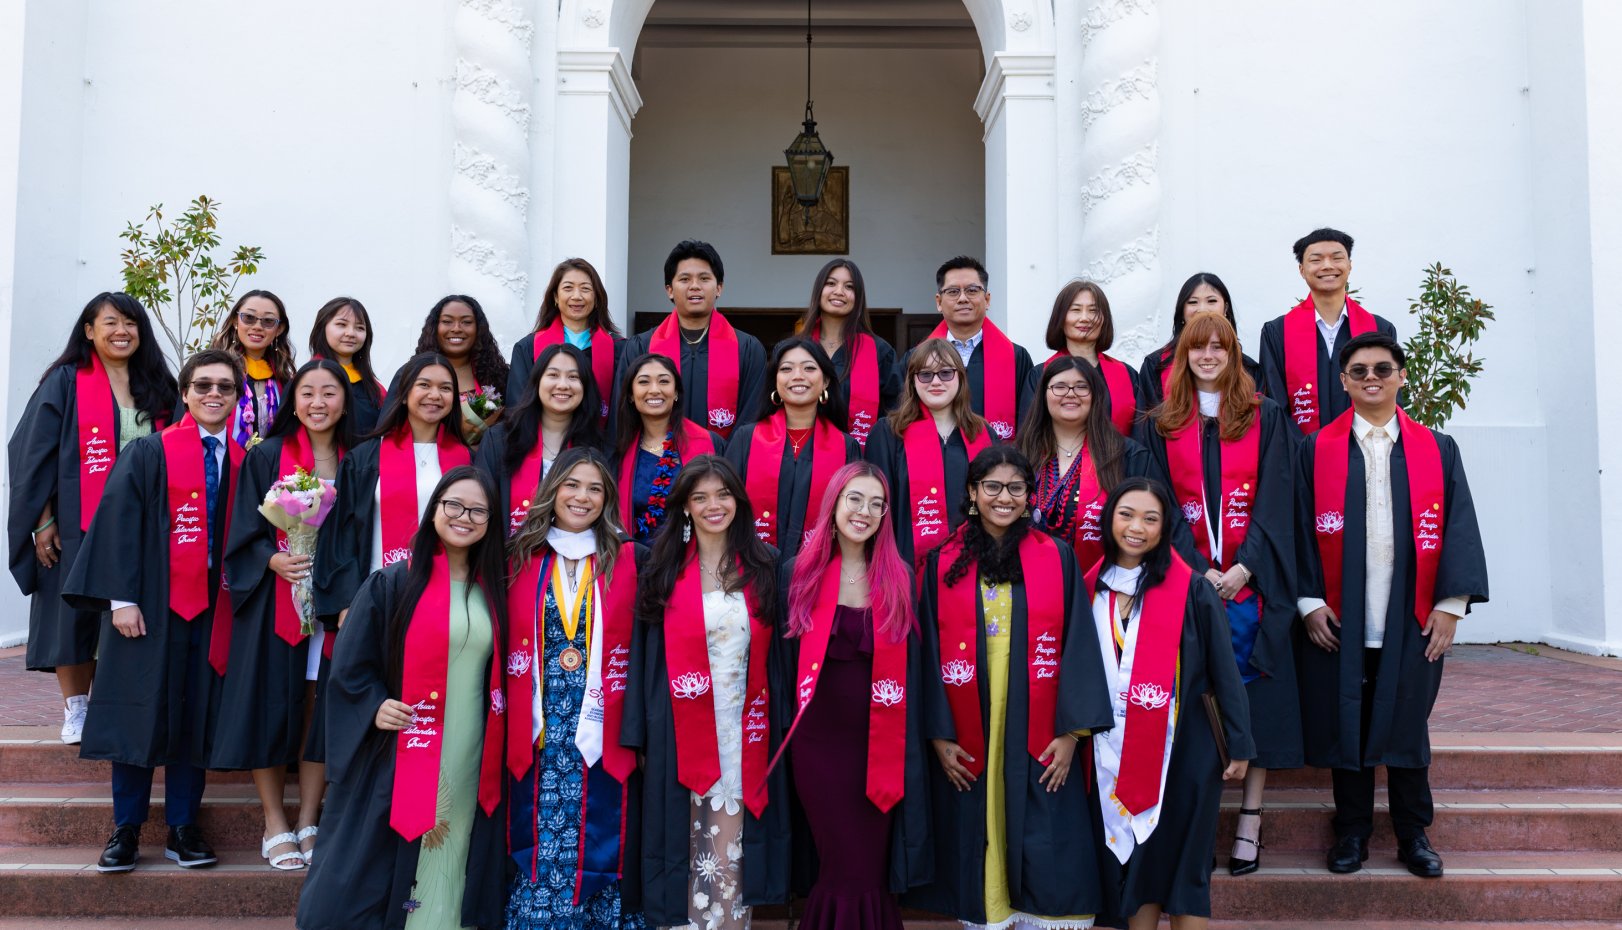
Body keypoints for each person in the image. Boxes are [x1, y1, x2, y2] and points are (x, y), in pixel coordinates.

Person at [1294, 332, 1488, 878]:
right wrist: (1309, 601)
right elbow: (1300, 532)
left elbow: (1459, 526)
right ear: (1344, 382)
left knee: (1408, 723)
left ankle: (1412, 833)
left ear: (1401, 375)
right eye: (1359, 371)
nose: (1371, 377)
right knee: (1346, 721)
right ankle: (1352, 831)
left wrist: (1450, 604)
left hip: (1413, 615)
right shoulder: (1317, 449)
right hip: (1343, 616)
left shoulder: (1437, 448)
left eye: (1382, 368)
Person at [295, 467, 509, 929]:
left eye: (478, 510)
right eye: (454, 505)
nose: (464, 517)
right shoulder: (393, 583)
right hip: (406, 744)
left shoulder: (495, 591)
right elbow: (351, 668)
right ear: (434, 510)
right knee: (378, 864)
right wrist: (375, 705)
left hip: (471, 745)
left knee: (455, 844)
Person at [909, 446, 1113, 930]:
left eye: (1016, 488)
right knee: (981, 818)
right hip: (970, 718)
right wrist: (939, 735)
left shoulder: (1055, 555)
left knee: (1044, 819)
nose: (1004, 497)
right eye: (992, 487)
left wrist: (1071, 734)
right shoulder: (941, 561)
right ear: (972, 494)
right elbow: (926, 653)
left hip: (1038, 722)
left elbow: (1077, 644)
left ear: (1029, 495)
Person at [62, 349, 248, 872]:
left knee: (195, 715)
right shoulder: (150, 452)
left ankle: (184, 827)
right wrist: (121, 600)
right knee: (136, 713)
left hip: (214, 608)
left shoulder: (244, 461)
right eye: (203, 385)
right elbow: (117, 522)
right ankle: (126, 828)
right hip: (149, 607)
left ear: (236, 398)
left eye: (225, 387)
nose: (214, 394)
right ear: (185, 394)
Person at [1137, 314, 1301, 875]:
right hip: (1187, 584)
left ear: (1234, 355)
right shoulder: (1161, 423)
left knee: (1255, 700)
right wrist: (1199, 568)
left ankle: (1250, 821)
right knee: (1192, 704)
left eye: (1219, 348)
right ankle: (1197, 820)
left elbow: (1277, 497)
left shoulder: (1264, 416)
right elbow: (1156, 501)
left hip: (1253, 585)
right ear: (1182, 355)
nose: (1209, 356)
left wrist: (1245, 566)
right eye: (1198, 348)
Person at [623, 456, 789, 929]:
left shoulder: (766, 565)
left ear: (738, 500)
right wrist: (638, 737)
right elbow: (640, 658)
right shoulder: (661, 566)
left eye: (722, 495)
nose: (713, 506)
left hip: (743, 730)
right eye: (700, 497)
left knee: (730, 854)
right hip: (677, 726)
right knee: (679, 844)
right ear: (685, 507)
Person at [7, 292, 178, 744]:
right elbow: (31, 453)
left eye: (130, 323)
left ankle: (113, 702)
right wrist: (42, 521)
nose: (121, 331)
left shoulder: (159, 386)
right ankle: (75, 708)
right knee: (72, 616)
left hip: (144, 526)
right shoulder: (65, 381)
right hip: (75, 522)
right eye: (110, 323)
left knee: (125, 617)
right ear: (89, 331)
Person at [1085, 477, 1254, 930]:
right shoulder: (1089, 589)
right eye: (1126, 514)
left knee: (1184, 866)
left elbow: (1224, 669)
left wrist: (1239, 743)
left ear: (1165, 529)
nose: (1136, 527)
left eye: (1150, 518)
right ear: (1109, 519)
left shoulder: (1192, 589)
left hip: (1183, 750)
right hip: (1108, 748)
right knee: (1141, 868)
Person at [214, 359, 355, 870]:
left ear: (345, 400)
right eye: (308, 393)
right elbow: (238, 531)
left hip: (336, 607)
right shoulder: (266, 456)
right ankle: (275, 821)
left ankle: (309, 818)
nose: (318, 403)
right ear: (292, 401)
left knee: (322, 709)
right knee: (268, 705)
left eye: (330, 393)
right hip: (276, 600)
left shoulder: (359, 458)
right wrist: (271, 558)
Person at [776, 463, 929, 929]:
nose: (864, 512)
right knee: (841, 865)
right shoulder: (798, 574)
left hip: (880, 743)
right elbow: (781, 666)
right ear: (834, 505)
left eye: (876, 504)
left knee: (865, 869)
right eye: (854, 499)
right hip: (818, 746)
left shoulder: (899, 577)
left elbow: (915, 668)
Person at [502, 448, 646, 930]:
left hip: (601, 724)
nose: (582, 497)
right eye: (572, 485)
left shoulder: (627, 558)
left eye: (594, 488)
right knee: (540, 830)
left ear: (607, 498)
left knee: (602, 826)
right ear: (553, 490)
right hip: (539, 726)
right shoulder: (520, 556)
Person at [314, 353, 471, 626]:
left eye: (445, 388)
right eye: (424, 385)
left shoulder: (467, 460)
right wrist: (346, 604)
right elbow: (342, 536)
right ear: (404, 391)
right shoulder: (364, 459)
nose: (435, 395)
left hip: (448, 599)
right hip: (374, 596)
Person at [1018, 356, 1165, 572]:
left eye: (1081, 387)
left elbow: (1155, 521)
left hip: (1103, 584)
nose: (1070, 393)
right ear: (1043, 395)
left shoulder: (1127, 456)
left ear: (1096, 396)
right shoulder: (1020, 454)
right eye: (1059, 386)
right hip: (1028, 581)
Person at [722, 338, 861, 563]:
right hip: (749, 569)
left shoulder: (846, 447)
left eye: (809, 368)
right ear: (775, 381)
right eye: (786, 368)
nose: (798, 376)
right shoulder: (746, 440)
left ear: (825, 381)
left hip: (820, 573)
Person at [1258, 228, 1400, 435]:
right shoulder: (1277, 333)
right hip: (1300, 458)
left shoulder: (1380, 330)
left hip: (1364, 456)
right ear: (1301, 269)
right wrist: (1304, 452)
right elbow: (1274, 406)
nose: (1327, 266)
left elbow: (1390, 399)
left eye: (1337, 258)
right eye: (1316, 260)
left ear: (1350, 266)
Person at [865, 339, 992, 568]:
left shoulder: (984, 435)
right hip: (904, 569)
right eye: (925, 374)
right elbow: (877, 508)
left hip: (973, 567)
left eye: (945, 373)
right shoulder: (888, 434)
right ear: (913, 381)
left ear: (960, 378)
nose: (935, 382)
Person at [623, 240, 767, 437]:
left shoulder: (748, 350)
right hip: (657, 462)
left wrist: (723, 464)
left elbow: (751, 420)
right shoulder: (641, 348)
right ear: (669, 290)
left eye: (704, 278)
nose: (695, 286)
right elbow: (624, 417)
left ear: (719, 288)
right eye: (684, 279)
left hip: (723, 464)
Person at [476, 344, 603, 536]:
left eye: (573, 377)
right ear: (536, 382)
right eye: (553, 375)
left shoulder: (597, 446)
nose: (563, 385)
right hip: (505, 559)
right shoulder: (500, 440)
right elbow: (480, 504)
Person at [908, 256, 1033, 441]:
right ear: (938, 302)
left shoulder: (1016, 357)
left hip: (996, 462)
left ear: (987, 299)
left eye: (972, 290)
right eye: (952, 291)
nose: (963, 298)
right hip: (934, 458)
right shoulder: (916, 358)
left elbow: (1029, 421)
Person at [612, 353, 726, 542]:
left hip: (690, 559)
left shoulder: (708, 443)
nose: (654, 390)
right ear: (631, 395)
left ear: (676, 393)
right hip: (635, 558)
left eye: (664, 381)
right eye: (644, 382)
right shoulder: (618, 450)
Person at [507, 258, 623, 430]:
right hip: (542, 446)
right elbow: (516, 406)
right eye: (568, 288)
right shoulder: (527, 348)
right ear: (555, 296)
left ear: (597, 298)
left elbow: (621, 411)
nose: (576, 296)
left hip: (599, 446)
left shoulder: (619, 349)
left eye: (585, 289)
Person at [796, 259, 901, 446]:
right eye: (830, 283)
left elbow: (896, 414)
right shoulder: (795, 349)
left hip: (861, 462)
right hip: (803, 458)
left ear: (858, 297)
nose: (839, 291)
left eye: (849, 286)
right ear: (818, 290)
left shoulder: (880, 352)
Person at [1028, 281, 1141, 435]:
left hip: (1118, 457)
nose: (1085, 318)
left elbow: (1140, 433)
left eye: (1093, 311)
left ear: (1104, 319)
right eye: (1075, 310)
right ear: (1060, 318)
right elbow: (1030, 434)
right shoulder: (1040, 375)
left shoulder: (1127, 375)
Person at [1137, 274, 1263, 411]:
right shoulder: (1156, 366)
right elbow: (1149, 425)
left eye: (1211, 301)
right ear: (1182, 311)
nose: (1202, 309)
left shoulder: (1248, 369)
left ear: (1225, 309)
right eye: (1193, 302)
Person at [402, 295, 511, 443]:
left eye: (466, 322)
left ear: (478, 329)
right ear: (435, 327)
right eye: (447, 321)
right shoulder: (411, 373)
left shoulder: (499, 376)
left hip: (484, 461)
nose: (456, 329)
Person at [211, 289, 297, 447]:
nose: (258, 326)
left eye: (268, 321)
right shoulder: (212, 372)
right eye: (249, 318)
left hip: (270, 466)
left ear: (279, 329)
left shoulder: (284, 380)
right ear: (235, 321)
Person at [309, 296, 387, 435]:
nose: (351, 333)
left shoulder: (375, 388)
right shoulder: (308, 379)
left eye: (360, 328)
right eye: (341, 324)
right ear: (323, 328)